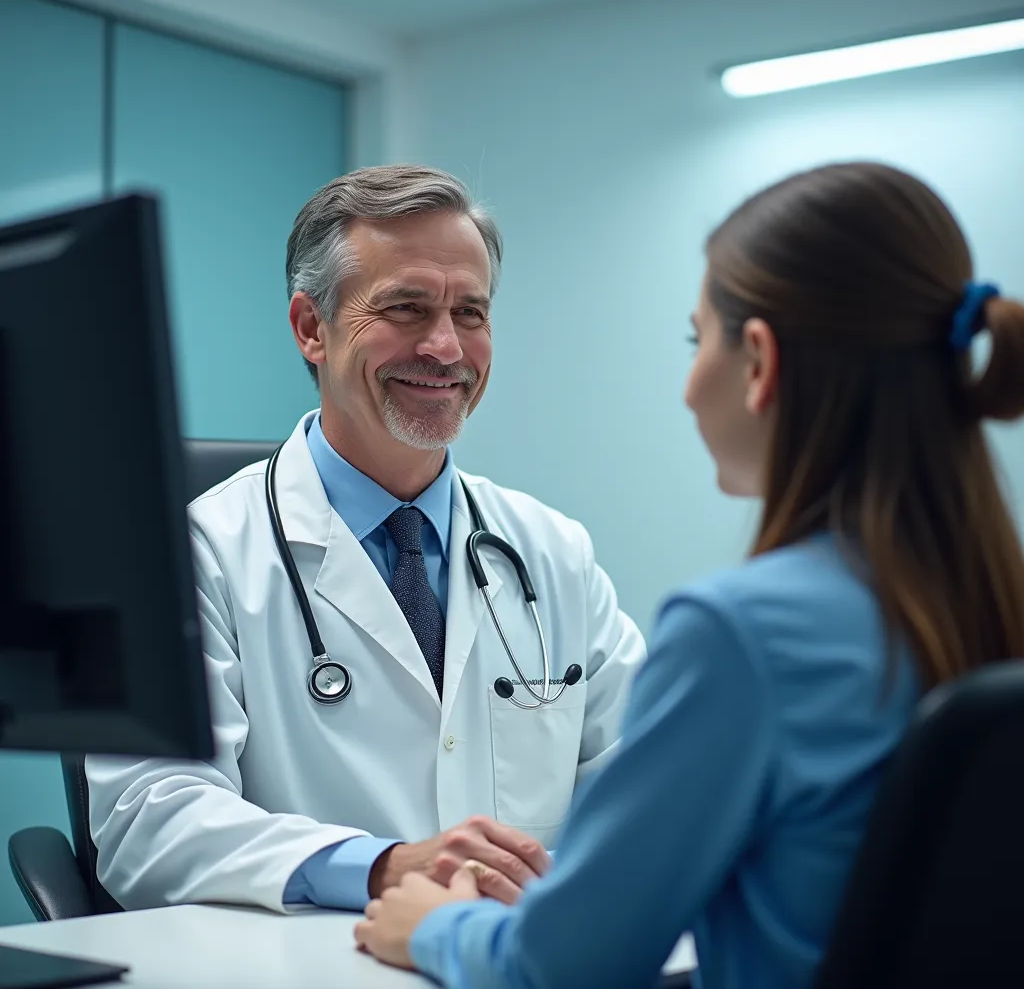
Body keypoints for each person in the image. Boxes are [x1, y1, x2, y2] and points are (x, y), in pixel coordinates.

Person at [354, 161, 1024, 989]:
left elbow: (565, 965)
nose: (687, 384)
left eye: (695, 338)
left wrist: (437, 926)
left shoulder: (742, 631)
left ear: (759, 361)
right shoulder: (989, 596)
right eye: (408, 308)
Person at [86, 165, 646, 914]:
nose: (446, 348)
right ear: (311, 328)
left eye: (471, 313)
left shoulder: (554, 552)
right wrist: (380, 868)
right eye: (406, 309)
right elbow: (148, 817)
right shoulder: (197, 554)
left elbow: (645, 775)